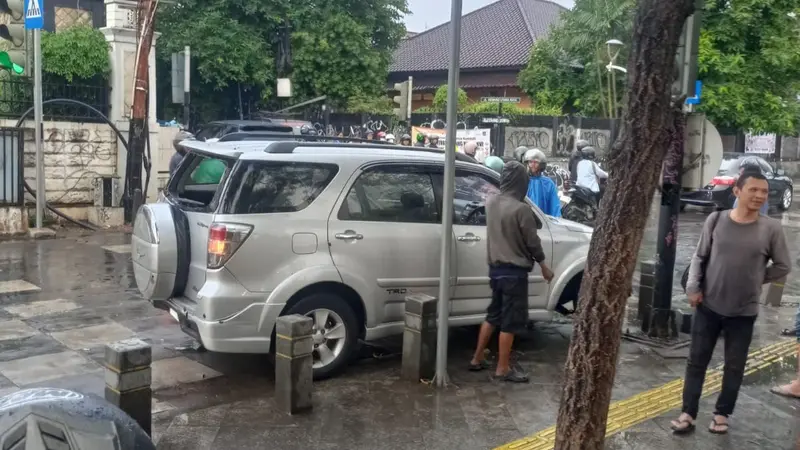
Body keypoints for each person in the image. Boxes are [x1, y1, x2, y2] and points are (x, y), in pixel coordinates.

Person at [670, 171, 791, 435]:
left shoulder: (771, 228)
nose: (760, 195)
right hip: (708, 306)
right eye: (754, 190)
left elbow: (783, 266)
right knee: (696, 362)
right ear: (737, 191)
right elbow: (700, 257)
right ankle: (688, 412)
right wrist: (693, 288)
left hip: (743, 311)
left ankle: (722, 413)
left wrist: (759, 277)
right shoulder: (716, 220)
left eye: (764, 191)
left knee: (735, 366)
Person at [468, 161, 555, 382]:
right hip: (514, 273)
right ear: (522, 182)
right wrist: (544, 265)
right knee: (510, 321)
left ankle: (477, 359)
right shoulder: (521, 209)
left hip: (495, 271)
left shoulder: (491, 202)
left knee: (493, 315)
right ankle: (503, 368)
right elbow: (532, 243)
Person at [522, 149, 562, 217]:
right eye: (531, 162)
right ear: (527, 163)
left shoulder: (548, 183)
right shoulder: (522, 181)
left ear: (541, 165)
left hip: (543, 223)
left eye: (536, 162)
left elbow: (554, 207)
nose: (533, 165)